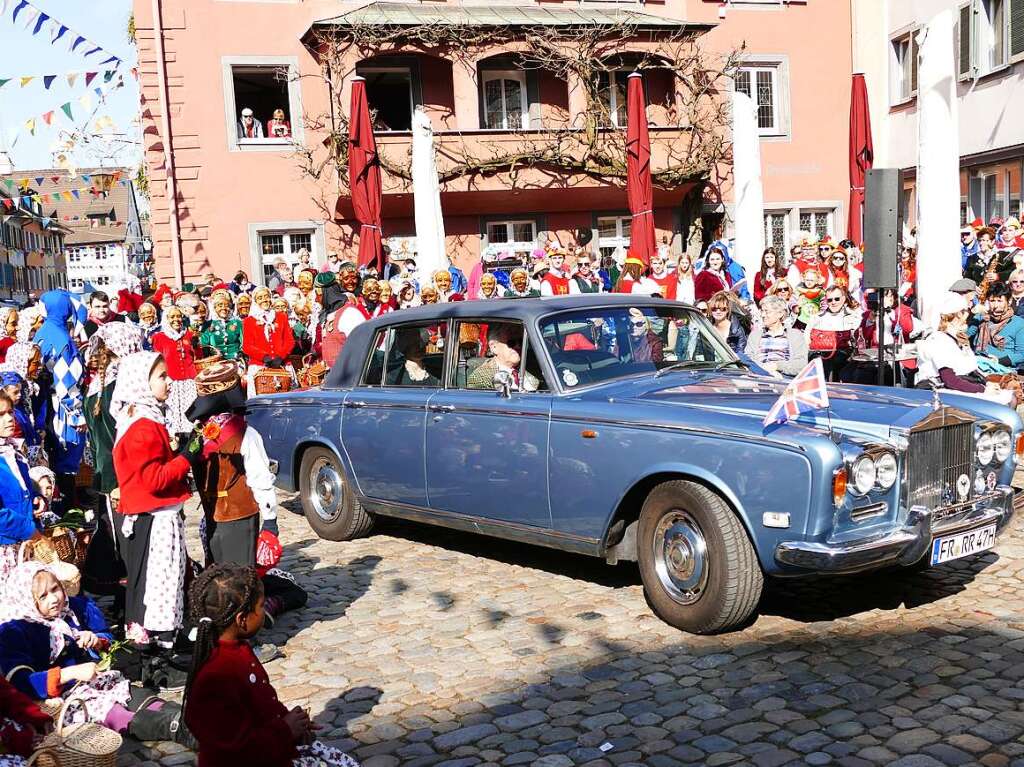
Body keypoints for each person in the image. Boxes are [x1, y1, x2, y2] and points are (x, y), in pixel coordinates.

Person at [183, 564, 361, 767]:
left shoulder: (238, 649)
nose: (264, 609)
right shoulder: (216, 675)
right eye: (261, 606)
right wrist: (285, 729)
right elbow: (235, 750)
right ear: (242, 619)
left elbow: (261, 700)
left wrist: (289, 720)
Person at [111, 351, 201, 657]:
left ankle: (162, 641)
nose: (170, 381)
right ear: (141, 382)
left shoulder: (144, 418)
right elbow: (154, 479)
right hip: (154, 516)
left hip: (154, 513)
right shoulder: (143, 426)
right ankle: (156, 650)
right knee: (157, 584)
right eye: (161, 376)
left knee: (160, 580)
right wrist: (189, 456)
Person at [186, 364, 278, 567]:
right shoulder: (235, 433)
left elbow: (259, 477)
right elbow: (260, 477)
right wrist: (270, 520)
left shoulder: (204, 434)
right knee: (230, 579)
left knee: (228, 577)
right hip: (225, 516)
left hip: (228, 516)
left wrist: (270, 520)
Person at [83, 323, 145, 597]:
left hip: (105, 473)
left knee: (119, 537)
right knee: (134, 541)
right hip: (126, 473)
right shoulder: (122, 386)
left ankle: (127, 598)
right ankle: (136, 600)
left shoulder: (97, 386)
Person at [34, 291, 87, 508]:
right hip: (61, 408)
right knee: (66, 463)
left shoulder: (43, 333)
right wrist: (77, 414)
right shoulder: (61, 338)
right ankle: (69, 510)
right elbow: (67, 383)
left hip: (47, 405)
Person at [917, 292, 1015, 405]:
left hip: (953, 388)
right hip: (938, 392)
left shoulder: (956, 338)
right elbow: (950, 380)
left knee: (1010, 397)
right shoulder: (939, 340)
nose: (967, 317)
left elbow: (969, 371)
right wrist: (983, 389)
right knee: (1005, 401)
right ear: (958, 314)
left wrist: (986, 383)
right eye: (965, 312)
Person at [0, 392, 38, 589]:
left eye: (10, 412)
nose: (9, 419)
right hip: (4, 549)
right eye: (1, 414)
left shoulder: (12, 452)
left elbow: (23, 489)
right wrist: (30, 531)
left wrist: (37, 499)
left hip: (21, 546)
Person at [150, 306, 198, 439]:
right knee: (173, 412)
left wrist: (196, 344)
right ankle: (175, 440)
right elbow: (157, 361)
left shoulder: (188, 334)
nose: (176, 319)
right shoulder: (159, 337)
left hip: (189, 380)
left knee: (191, 411)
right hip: (171, 381)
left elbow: (197, 356)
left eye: (178, 316)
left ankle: (191, 439)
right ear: (166, 319)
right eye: (172, 317)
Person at [804, 286, 861, 381]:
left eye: (837, 299)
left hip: (843, 355)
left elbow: (856, 339)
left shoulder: (853, 317)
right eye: (830, 300)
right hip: (820, 353)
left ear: (843, 299)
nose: (833, 302)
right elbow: (806, 336)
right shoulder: (817, 317)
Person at [745, 294, 809, 378]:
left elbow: (801, 365)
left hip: (784, 378)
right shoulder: (755, 335)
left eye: (767, 311)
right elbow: (748, 360)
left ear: (780, 314)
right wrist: (765, 370)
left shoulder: (795, 335)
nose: (763, 315)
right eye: (762, 311)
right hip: (758, 376)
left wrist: (776, 366)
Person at [242, 287, 295, 387]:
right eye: (260, 297)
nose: (264, 300)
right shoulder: (249, 321)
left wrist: (280, 356)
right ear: (255, 301)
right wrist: (265, 357)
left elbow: (290, 341)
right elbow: (247, 346)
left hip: (282, 364)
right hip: (260, 366)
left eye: (266, 296)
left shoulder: (281, 317)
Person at [466, 323, 539, 391]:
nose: (518, 346)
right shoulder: (480, 379)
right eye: (511, 342)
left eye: (521, 341)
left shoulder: (534, 368)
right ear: (494, 347)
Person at [969, 282, 1024, 372]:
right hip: (978, 363)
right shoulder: (981, 317)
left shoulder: (1019, 323)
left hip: (1002, 369)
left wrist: (999, 361)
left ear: (1009, 301)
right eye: (992, 301)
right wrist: (972, 315)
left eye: (999, 301)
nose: (995, 306)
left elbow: (1021, 354)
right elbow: (964, 337)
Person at [200, 290, 243, 361]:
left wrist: (240, 355)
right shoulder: (208, 324)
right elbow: (204, 346)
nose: (223, 308)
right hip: (216, 362)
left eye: (227, 305)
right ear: (215, 308)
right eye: (220, 305)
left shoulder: (238, 323)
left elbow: (243, 344)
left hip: (236, 360)